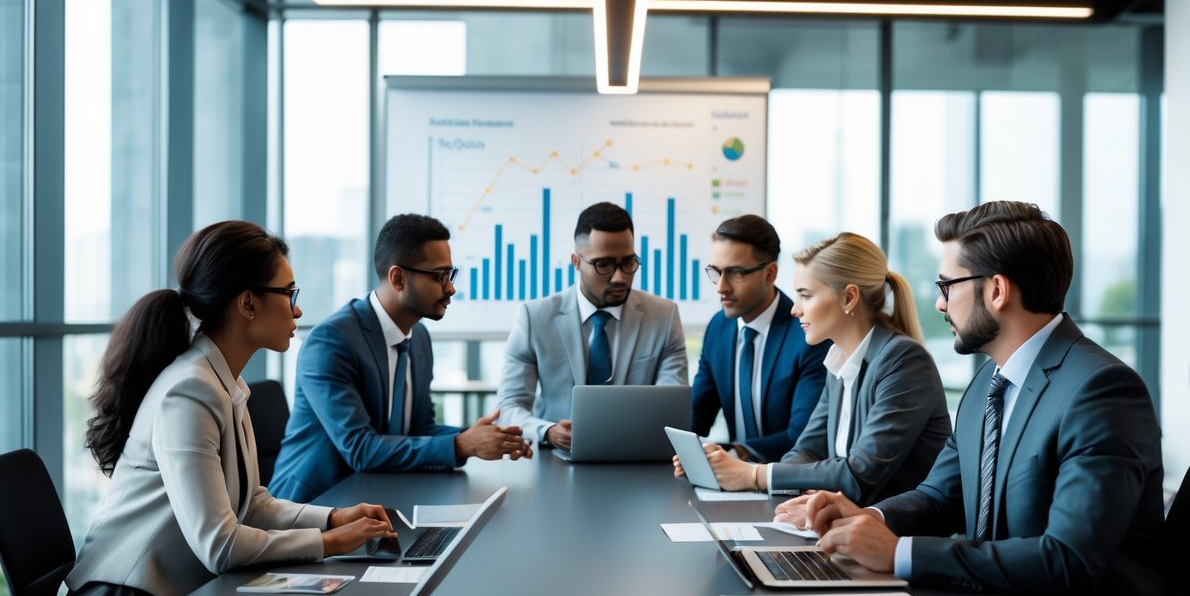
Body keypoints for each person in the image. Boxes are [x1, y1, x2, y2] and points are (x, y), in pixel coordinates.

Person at [779, 201, 1170, 596]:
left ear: (997, 290)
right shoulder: (989, 381)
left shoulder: (1101, 391)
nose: (940, 304)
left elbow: (1067, 562)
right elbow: (938, 497)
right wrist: (870, 519)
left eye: (947, 285)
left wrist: (900, 554)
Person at [51, 221, 396, 596]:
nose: (298, 310)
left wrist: (332, 517)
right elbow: (220, 545)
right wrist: (329, 542)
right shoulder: (189, 392)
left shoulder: (222, 383)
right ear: (248, 302)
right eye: (289, 293)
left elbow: (250, 504)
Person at [270, 214, 531, 503]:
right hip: (314, 505)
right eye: (439, 276)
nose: (451, 288)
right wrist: (460, 445)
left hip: (379, 498)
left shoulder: (418, 338)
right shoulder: (332, 341)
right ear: (398, 278)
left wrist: (486, 436)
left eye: (451, 275)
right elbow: (359, 448)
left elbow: (420, 428)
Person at [679, 232, 949, 504]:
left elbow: (859, 474)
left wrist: (754, 475)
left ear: (848, 298)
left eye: (805, 296)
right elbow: (806, 450)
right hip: (841, 526)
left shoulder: (903, 362)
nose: (795, 309)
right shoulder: (837, 360)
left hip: (892, 537)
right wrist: (789, 490)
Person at [496, 202, 688, 449]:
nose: (619, 277)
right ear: (576, 261)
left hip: (635, 458)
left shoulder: (664, 316)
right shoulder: (535, 318)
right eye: (604, 265)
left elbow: (671, 408)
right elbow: (508, 407)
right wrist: (548, 431)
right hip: (556, 463)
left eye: (628, 263)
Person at [688, 215, 828, 463]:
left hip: (790, 484)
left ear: (770, 273)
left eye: (735, 273)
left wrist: (733, 452)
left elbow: (801, 437)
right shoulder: (718, 329)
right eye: (716, 272)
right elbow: (697, 416)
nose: (721, 287)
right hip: (730, 487)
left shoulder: (807, 334)